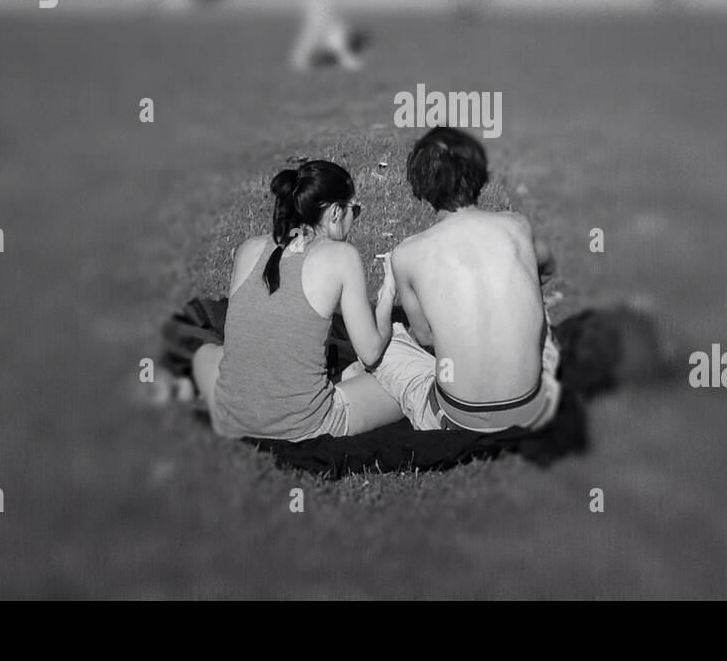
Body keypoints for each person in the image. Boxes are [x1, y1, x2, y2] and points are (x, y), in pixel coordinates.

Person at [192, 160, 404, 440]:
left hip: (234, 417)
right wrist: (387, 295)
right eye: (355, 209)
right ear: (335, 212)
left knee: (206, 354)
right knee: (402, 386)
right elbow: (371, 352)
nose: (356, 217)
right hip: (302, 424)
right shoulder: (342, 257)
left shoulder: (248, 249)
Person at [367, 128, 561, 432]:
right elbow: (547, 268)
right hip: (533, 409)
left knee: (386, 343)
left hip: (458, 420)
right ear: (479, 173)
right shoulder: (516, 225)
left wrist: (389, 287)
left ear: (420, 184)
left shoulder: (408, 253)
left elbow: (426, 337)